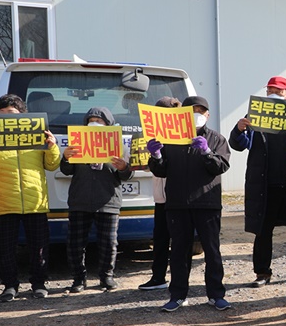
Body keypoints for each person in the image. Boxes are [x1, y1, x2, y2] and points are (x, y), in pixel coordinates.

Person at [230, 75, 286, 288]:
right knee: (263, 229)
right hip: (265, 184)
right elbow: (238, 145)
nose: (274, 94)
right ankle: (262, 273)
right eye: (270, 91)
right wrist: (239, 129)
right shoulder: (256, 114)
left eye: (279, 91)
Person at [147, 95, 231, 311]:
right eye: (192, 110)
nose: (197, 114)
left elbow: (221, 166)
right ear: (181, 114)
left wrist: (207, 152)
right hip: (177, 203)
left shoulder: (216, 139)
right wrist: (156, 156)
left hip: (207, 202)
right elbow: (161, 170)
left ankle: (216, 294)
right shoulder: (170, 138)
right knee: (179, 251)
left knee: (212, 250)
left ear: (208, 115)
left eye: (201, 111)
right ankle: (177, 295)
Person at [0, 93, 61, 302]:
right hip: (3, 201)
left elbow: (52, 165)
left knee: (39, 247)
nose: (7, 117)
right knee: (4, 249)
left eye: (12, 113)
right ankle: (9, 286)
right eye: (3, 113)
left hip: (35, 201)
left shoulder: (37, 134)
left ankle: (39, 284)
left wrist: (52, 147)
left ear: (22, 115)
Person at [60, 107, 132, 292]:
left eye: (99, 121)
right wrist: (66, 158)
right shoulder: (76, 144)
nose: (95, 124)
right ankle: (78, 279)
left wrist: (124, 167)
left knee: (108, 243)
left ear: (108, 125)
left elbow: (126, 176)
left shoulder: (119, 145)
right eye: (91, 120)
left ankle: (106, 277)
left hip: (108, 200)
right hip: (80, 200)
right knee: (75, 243)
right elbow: (66, 170)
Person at [138, 96, 186, 292]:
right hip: (161, 196)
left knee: (179, 241)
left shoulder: (183, 133)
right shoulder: (151, 135)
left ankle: (179, 279)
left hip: (180, 197)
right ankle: (158, 277)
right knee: (160, 239)